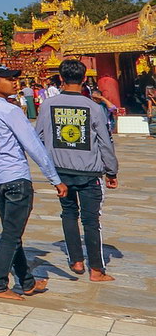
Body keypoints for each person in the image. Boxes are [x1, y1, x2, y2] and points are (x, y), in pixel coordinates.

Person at [0, 63, 67, 301]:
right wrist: (54, 179)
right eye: (8, 78)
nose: (15, 82)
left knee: (11, 233)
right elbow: (33, 145)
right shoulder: (10, 111)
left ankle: (26, 281)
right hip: (15, 178)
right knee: (11, 235)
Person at [36, 59, 119, 282]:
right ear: (84, 79)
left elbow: (40, 138)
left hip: (60, 171)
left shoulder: (47, 105)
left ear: (61, 79)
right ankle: (97, 269)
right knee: (91, 220)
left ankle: (76, 260)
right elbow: (104, 142)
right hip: (89, 171)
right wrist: (111, 171)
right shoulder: (93, 107)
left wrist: (50, 164)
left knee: (69, 214)